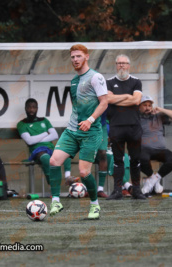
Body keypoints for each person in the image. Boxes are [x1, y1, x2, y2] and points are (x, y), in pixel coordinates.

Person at [48, 44, 108, 219]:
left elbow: (104, 103)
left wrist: (90, 120)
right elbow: (77, 108)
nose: (75, 60)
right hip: (72, 131)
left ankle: (95, 205)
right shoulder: (74, 81)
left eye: (78, 56)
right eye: (73, 57)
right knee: (53, 161)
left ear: (86, 57)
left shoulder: (96, 77)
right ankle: (56, 201)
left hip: (91, 131)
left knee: (83, 172)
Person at [106, 54, 146, 200]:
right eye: (119, 63)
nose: (121, 66)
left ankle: (136, 190)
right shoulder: (108, 82)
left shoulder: (136, 81)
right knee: (117, 160)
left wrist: (118, 99)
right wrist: (127, 97)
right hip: (116, 126)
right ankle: (117, 191)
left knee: (135, 159)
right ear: (116, 65)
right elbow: (108, 99)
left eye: (124, 63)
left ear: (129, 65)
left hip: (134, 127)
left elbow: (136, 101)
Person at [17, 98, 74, 187]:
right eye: (29, 107)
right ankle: (52, 185)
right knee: (46, 158)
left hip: (50, 147)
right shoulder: (22, 124)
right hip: (37, 151)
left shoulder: (44, 120)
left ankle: (68, 177)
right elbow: (29, 141)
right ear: (25, 108)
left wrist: (37, 139)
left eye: (34, 107)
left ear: (37, 108)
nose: (31, 110)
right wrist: (45, 134)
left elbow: (55, 135)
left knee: (65, 153)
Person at [139, 95, 172, 195]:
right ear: (139, 106)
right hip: (145, 149)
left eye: (149, 105)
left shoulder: (159, 116)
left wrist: (160, 109)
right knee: (139, 157)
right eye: (145, 105)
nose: (147, 107)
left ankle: (153, 180)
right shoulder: (136, 117)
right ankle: (154, 180)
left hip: (160, 149)